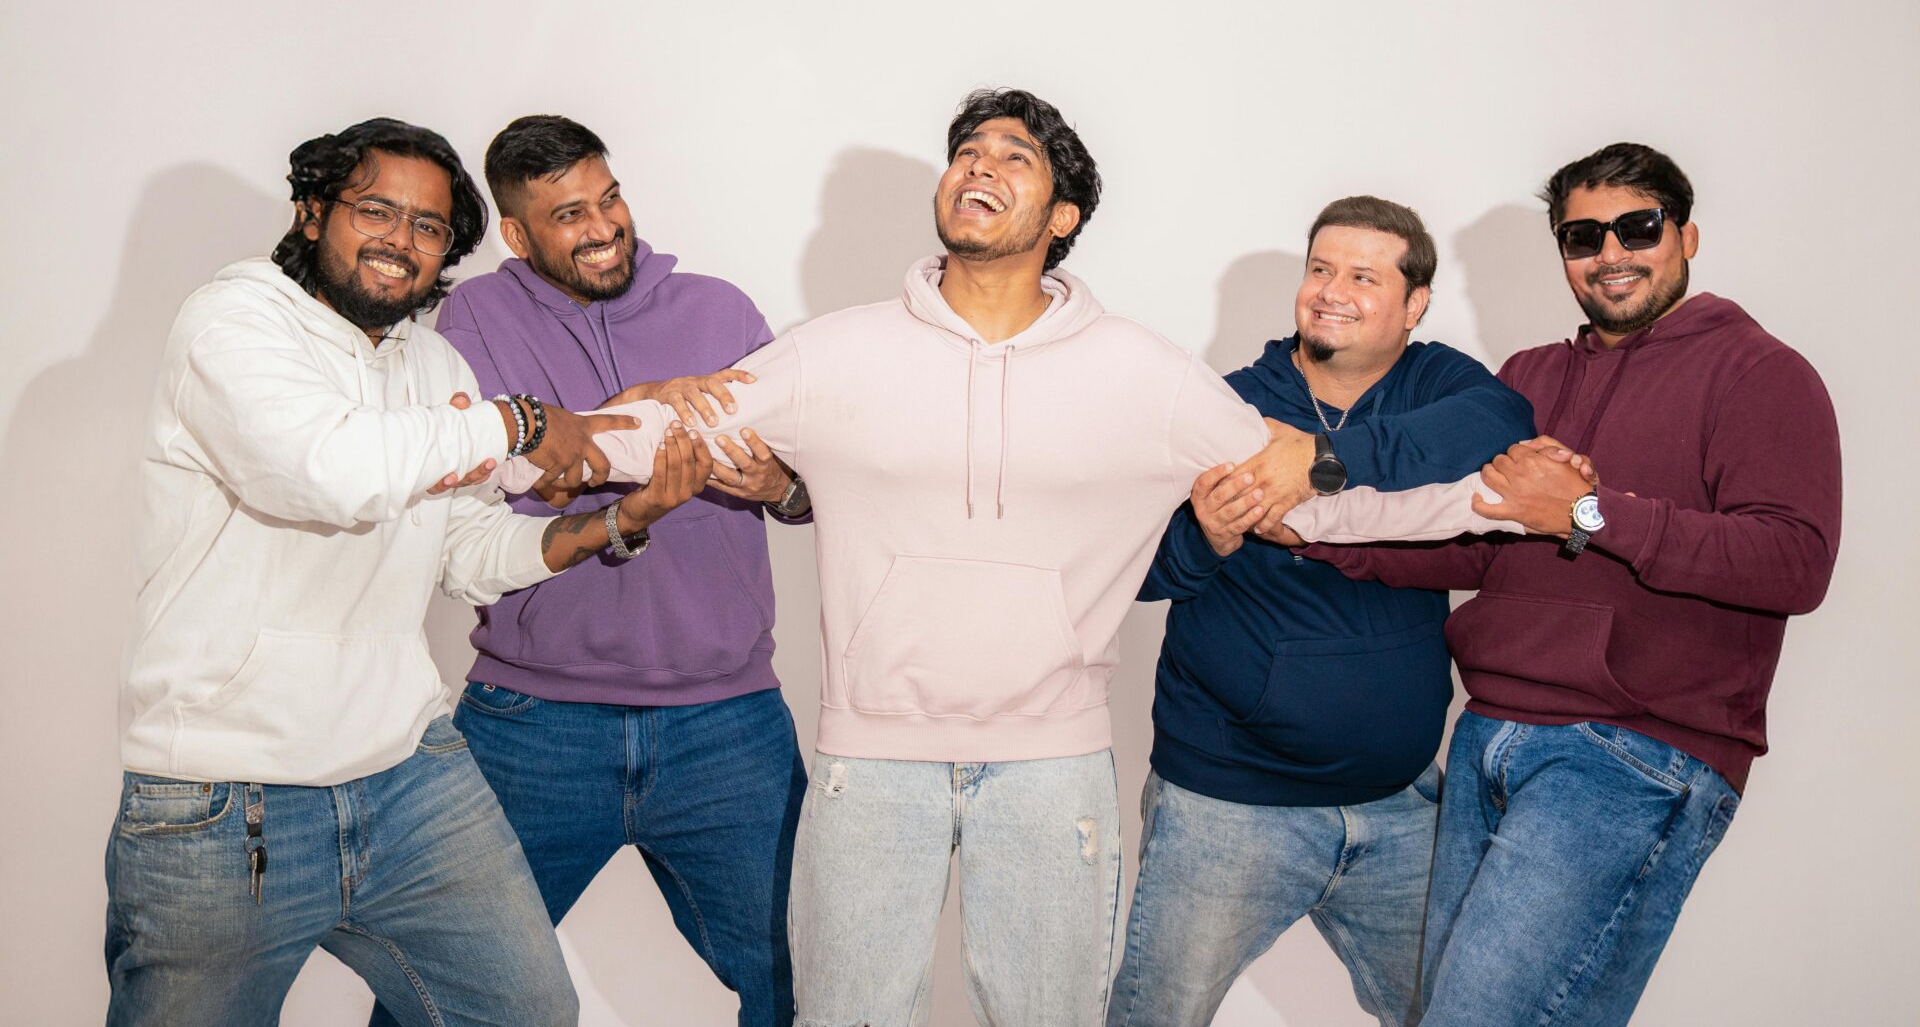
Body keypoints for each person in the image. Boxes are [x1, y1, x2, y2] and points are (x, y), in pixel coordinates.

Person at [496, 89, 1321, 1026]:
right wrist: (536, 440)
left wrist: (1327, 459)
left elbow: (1299, 483)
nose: (978, 165)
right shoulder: (834, 351)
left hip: (1053, 764)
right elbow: (670, 427)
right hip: (872, 760)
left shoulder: (1145, 370)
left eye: (1015, 157)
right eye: (968, 150)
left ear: (1063, 218)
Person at [106, 118, 719, 1027]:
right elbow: (329, 471)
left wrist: (610, 525)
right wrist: (518, 423)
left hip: (408, 775)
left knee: (528, 1012)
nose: (402, 240)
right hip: (226, 796)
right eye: (376, 210)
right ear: (314, 213)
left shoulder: (430, 365)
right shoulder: (234, 321)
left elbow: (468, 550)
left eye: (429, 228)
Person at [1299, 143, 1842, 1027]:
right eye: (1583, 236)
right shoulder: (1529, 377)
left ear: (1686, 234)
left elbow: (1794, 562)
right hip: (1485, 738)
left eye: (1638, 228)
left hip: (1632, 754)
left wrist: (1592, 513)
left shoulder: (1761, 373)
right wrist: (1316, 536)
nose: (1611, 253)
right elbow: (1478, 546)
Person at [364, 114, 811, 1027]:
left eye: (609, 198)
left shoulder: (723, 312)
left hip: (726, 721)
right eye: (569, 215)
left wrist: (783, 484)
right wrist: (631, 416)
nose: (604, 226)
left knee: (809, 975)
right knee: (436, 994)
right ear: (520, 236)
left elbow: (816, 483)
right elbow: (498, 476)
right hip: (533, 725)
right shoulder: (475, 320)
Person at [1106, 197, 1534, 1027]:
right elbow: (1137, 570)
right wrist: (1209, 534)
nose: (1331, 290)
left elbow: (1502, 425)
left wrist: (1320, 462)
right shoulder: (1223, 406)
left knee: (1453, 1014)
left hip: (1402, 804)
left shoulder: (1445, 387)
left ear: (1414, 306)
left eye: (1364, 277)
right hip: (1226, 809)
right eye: (1321, 269)